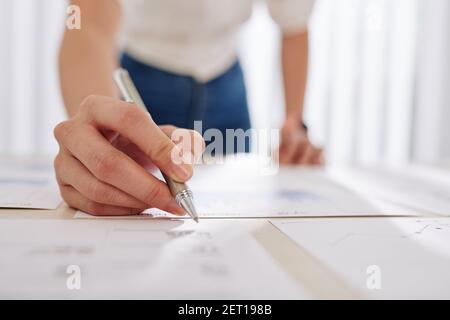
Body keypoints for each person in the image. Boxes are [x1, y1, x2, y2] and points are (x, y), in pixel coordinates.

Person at [55, 0, 323, 216]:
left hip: (227, 87)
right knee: (128, 197)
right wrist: (100, 139)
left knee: (237, 210)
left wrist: (294, 125)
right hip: (141, 85)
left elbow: (295, 24)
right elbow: (87, 22)